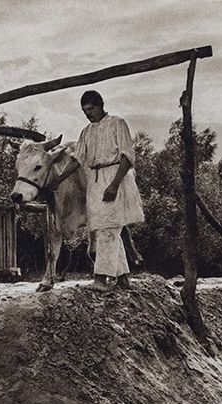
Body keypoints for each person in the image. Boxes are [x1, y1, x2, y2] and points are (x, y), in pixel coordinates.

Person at [56, 90, 144, 291]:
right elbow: (77, 160)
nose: (88, 114)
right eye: (84, 111)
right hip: (94, 180)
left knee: (107, 228)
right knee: (106, 227)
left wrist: (114, 184)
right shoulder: (86, 131)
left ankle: (101, 279)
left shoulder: (117, 124)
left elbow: (127, 156)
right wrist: (58, 179)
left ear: (101, 105)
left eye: (91, 109)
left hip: (115, 176)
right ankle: (123, 278)